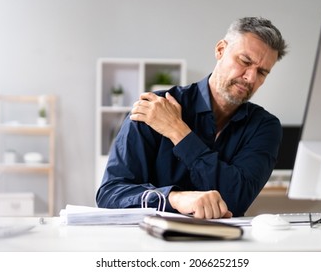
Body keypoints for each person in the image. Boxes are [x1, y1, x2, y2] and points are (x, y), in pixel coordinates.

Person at [96, 17, 288, 219]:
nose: (250, 77)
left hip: (224, 246)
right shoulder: (155, 108)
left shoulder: (265, 127)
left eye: (262, 72)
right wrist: (175, 199)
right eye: (245, 61)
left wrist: (178, 131)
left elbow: (236, 200)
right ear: (220, 50)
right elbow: (110, 195)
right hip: (151, 245)